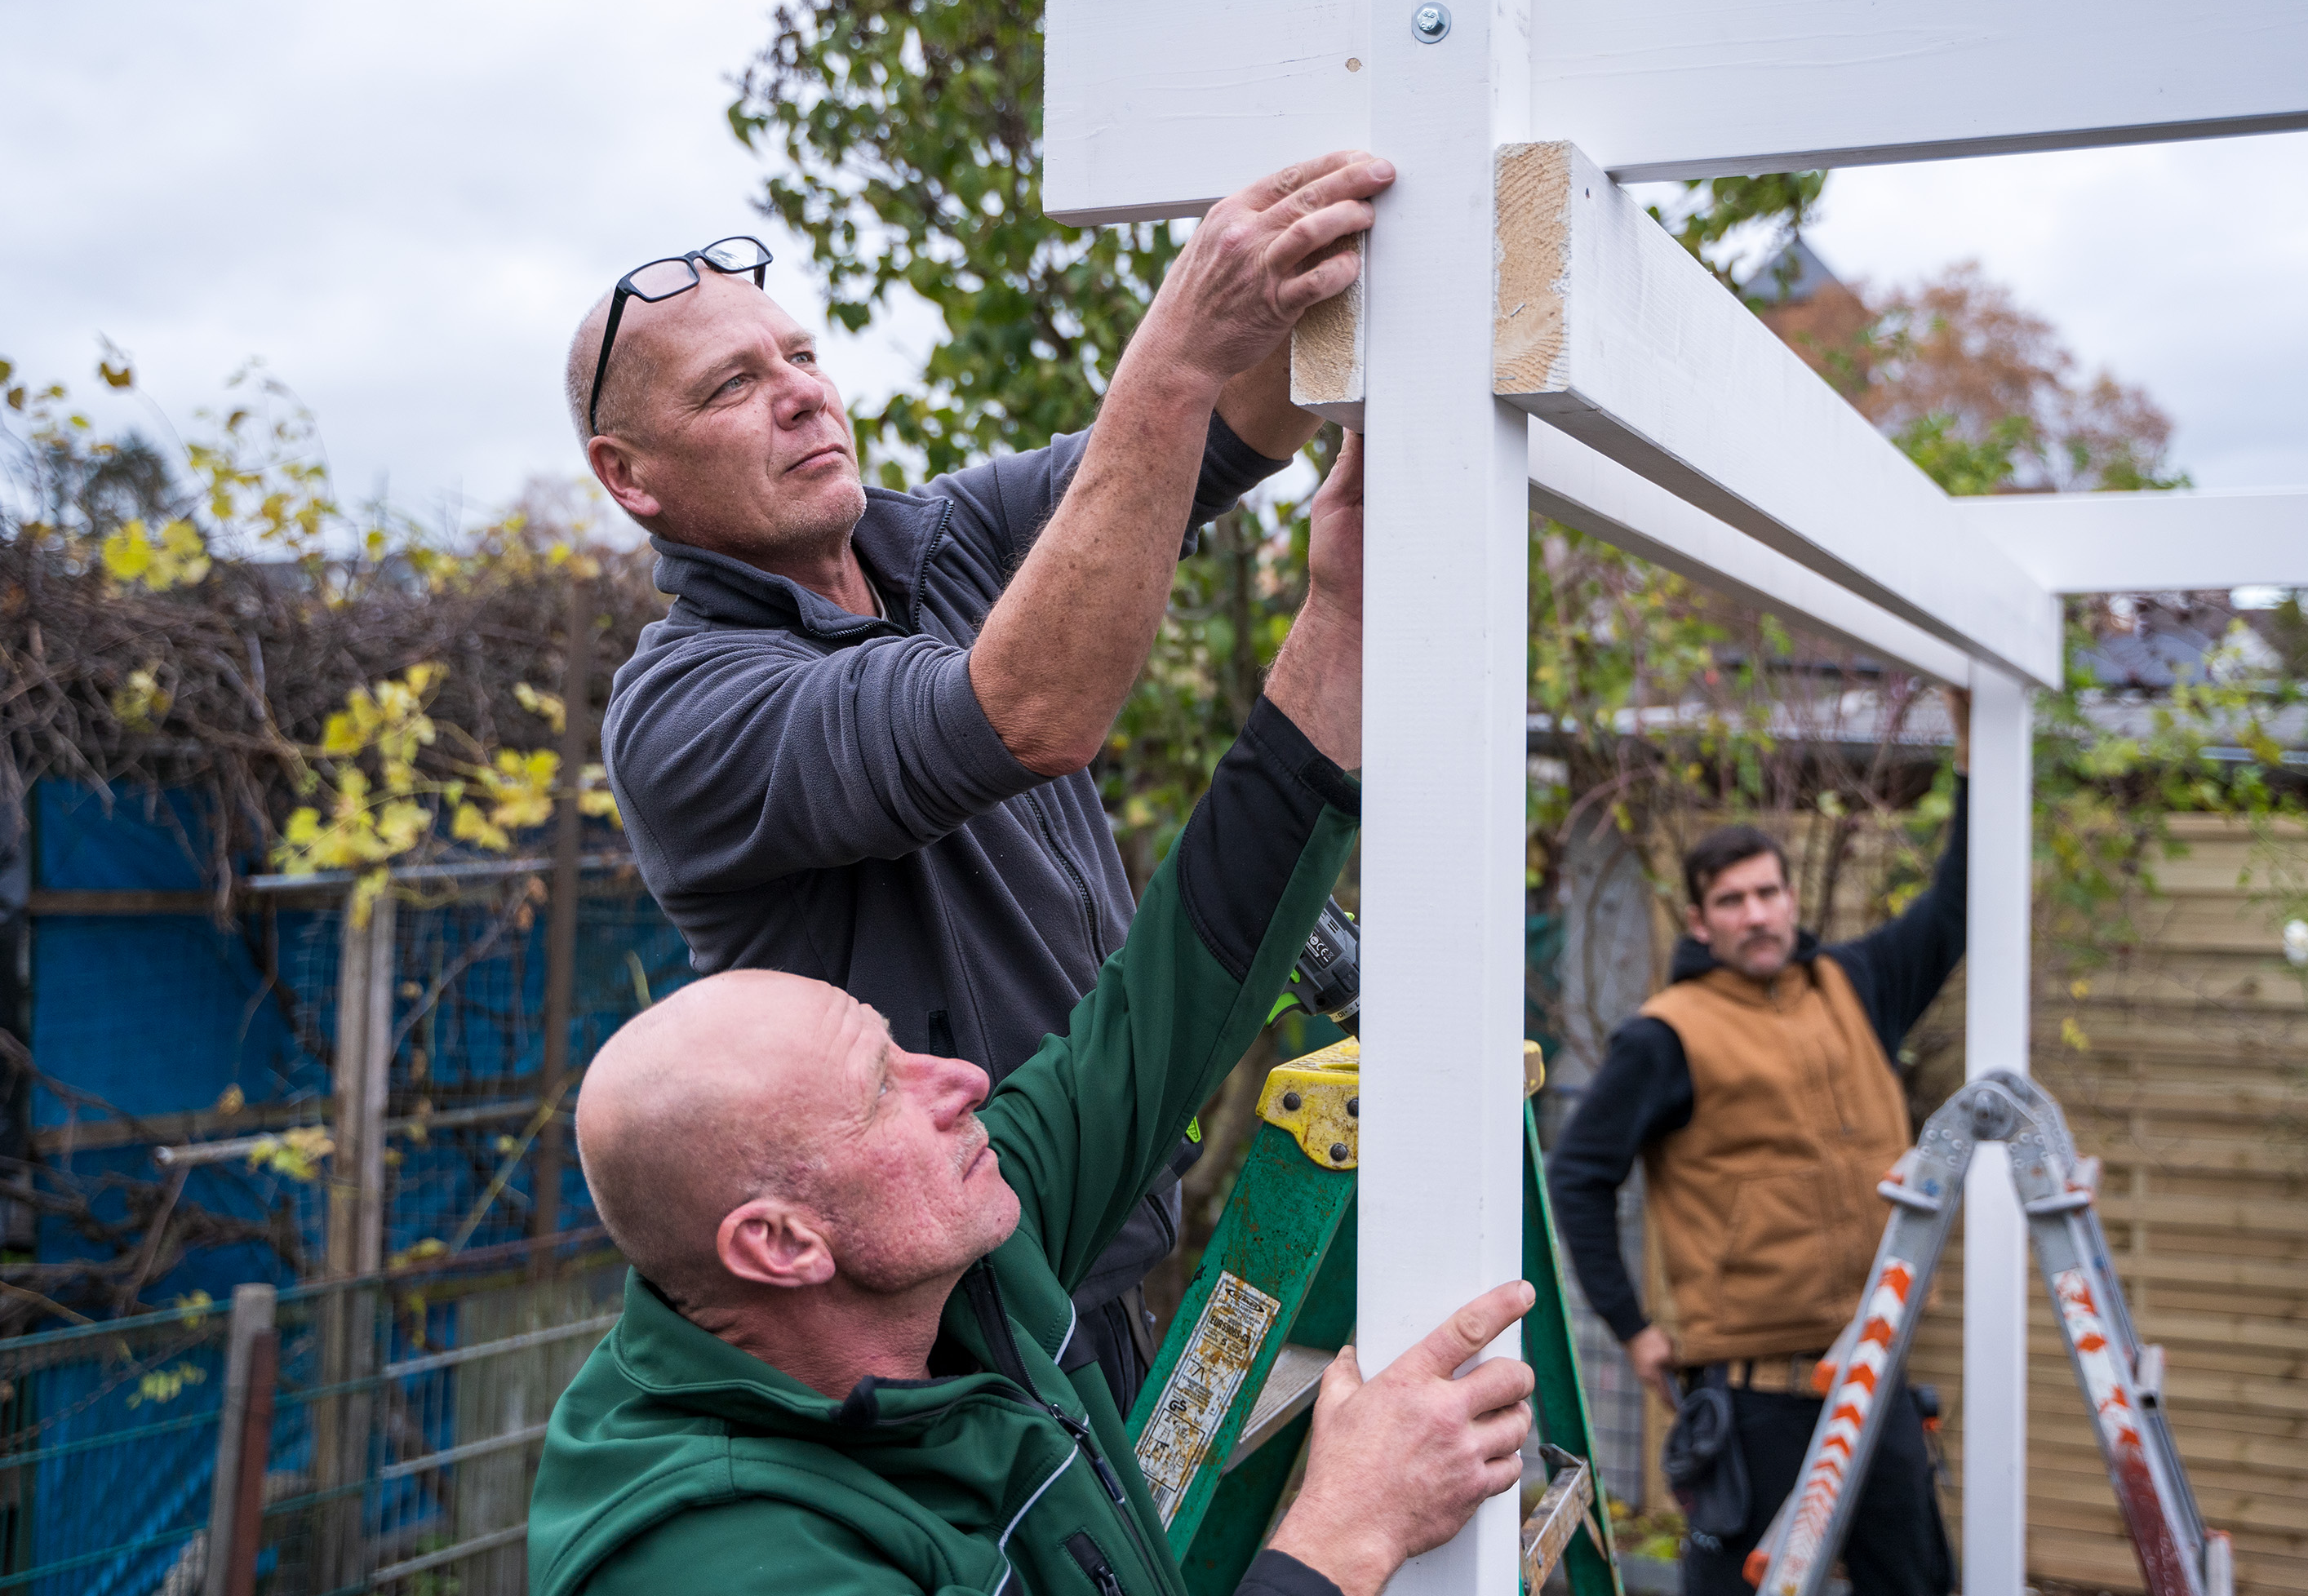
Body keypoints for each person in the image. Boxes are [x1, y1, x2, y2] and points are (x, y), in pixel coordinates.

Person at [529, 441, 1538, 1596]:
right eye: (882, 1091)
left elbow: (1172, 992)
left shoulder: (961, 1263)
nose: (957, 1080)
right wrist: (1340, 1538)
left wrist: (1345, 611)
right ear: (782, 1244)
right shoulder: (724, 1557)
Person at [571, 151, 1392, 1410]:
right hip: (925, 1324)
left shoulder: (945, 541)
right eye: (732, 386)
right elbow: (1025, 713)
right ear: (632, 478)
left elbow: (1222, 430)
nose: (799, 396)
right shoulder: (689, 708)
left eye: (799, 357)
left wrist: (1340, 261)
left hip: (1096, 1260)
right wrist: (1167, 350)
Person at [1548, 698, 1970, 1596]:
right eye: (1732, 901)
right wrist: (1632, 1326)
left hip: (1873, 1373)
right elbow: (1578, 1174)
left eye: (1768, 892)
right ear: (1700, 922)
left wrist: (1973, 754)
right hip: (1752, 1398)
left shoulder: (1855, 986)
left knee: (1921, 1585)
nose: (1757, 914)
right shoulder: (1668, 1034)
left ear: (1790, 896)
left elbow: (1954, 908)